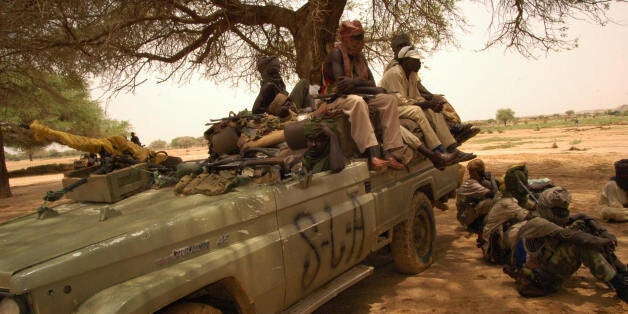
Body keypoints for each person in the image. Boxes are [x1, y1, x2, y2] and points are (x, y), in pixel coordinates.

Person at [508, 187, 627, 301]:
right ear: (546, 208)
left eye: (564, 210)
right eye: (558, 211)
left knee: (582, 225)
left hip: (542, 269)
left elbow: (583, 217)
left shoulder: (547, 217)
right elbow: (575, 237)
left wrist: (603, 233)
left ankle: (620, 270)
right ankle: (619, 284)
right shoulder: (539, 223)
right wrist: (602, 241)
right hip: (533, 280)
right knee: (579, 245)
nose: (563, 214)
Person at [319, 20, 405, 170]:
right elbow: (342, 89)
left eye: (361, 38)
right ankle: (373, 155)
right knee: (357, 102)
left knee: (389, 100)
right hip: (333, 100)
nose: (360, 42)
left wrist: (355, 83)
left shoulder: (361, 57)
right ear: (345, 38)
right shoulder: (336, 54)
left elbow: (371, 84)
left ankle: (390, 152)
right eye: (356, 38)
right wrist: (360, 85)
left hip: (359, 94)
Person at [379, 45, 476, 169]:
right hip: (390, 108)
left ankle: (452, 148)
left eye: (419, 61)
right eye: (415, 61)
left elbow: (416, 97)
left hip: (404, 106)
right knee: (417, 110)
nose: (419, 63)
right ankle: (439, 150)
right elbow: (400, 101)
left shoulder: (412, 75)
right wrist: (425, 103)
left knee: (432, 109)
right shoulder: (394, 73)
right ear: (405, 61)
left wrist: (431, 104)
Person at [386, 33, 480, 144]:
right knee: (433, 103)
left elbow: (417, 86)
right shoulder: (396, 67)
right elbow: (405, 96)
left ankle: (454, 128)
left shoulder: (409, 64)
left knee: (437, 100)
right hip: (400, 102)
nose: (404, 47)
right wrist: (429, 98)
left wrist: (429, 96)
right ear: (395, 49)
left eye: (406, 44)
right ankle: (452, 128)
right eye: (401, 45)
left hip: (410, 98)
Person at [481, 163, 534, 264]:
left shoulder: (504, 195)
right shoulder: (507, 202)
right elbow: (528, 217)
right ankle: (519, 262)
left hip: (494, 239)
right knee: (526, 227)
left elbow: (530, 205)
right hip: (493, 248)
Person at [456, 159, 499, 235]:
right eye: (482, 171)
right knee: (493, 202)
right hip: (465, 216)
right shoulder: (471, 185)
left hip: (466, 212)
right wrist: (491, 178)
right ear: (478, 172)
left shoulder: (474, 181)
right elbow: (495, 193)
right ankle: (477, 226)